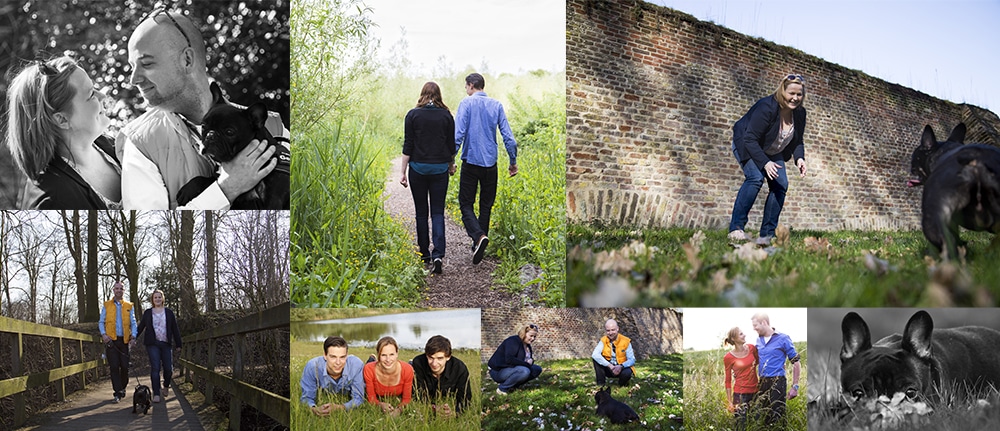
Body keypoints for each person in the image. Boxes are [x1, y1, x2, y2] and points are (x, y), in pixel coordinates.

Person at [118, 8, 288, 209]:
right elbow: (147, 233)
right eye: (132, 66)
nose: (133, 79)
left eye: (146, 63)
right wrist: (228, 188)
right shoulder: (141, 143)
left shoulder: (274, 126)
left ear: (187, 60)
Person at [5, 56, 121, 209]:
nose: (102, 95)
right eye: (91, 94)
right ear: (62, 120)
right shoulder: (52, 201)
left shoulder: (111, 146)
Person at [728, 74, 808, 245]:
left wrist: (799, 159)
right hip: (748, 143)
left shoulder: (800, 113)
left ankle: (767, 234)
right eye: (791, 93)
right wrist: (765, 163)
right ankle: (736, 228)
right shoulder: (767, 107)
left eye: (799, 94)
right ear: (782, 91)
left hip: (773, 150)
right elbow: (750, 138)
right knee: (755, 178)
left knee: (781, 185)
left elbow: (797, 140)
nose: (795, 98)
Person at [454, 72, 518, 264]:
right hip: (491, 164)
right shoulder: (496, 105)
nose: (466, 91)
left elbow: (458, 135)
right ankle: (478, 244)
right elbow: (509, 138)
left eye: (466, 87)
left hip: (471, 162)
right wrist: (513, 162)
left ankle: (478, 236)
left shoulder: (466, 103)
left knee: (465, 203)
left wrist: (451, 160)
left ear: (472, 85)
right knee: (486, 206)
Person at [400, 82, 457, 274]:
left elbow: (408, 145)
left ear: (422, 94)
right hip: (440, 169)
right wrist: (451, 164)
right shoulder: (446, 116)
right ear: (438, 95)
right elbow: (451, 145)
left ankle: (424, 254)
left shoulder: (413, 115)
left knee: (421, 213)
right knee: (438, 212)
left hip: (417, 169)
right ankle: (438, 254)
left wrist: (402, 172)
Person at [751, 312, 801, 427]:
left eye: (755, 325)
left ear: (764, 322)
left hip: (778, 381)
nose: (754, 329)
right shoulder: (758, 340)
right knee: (764, 417)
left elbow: (796, 362)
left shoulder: (783, 338)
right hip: (762, 382)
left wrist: (795, 386)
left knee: (777, 416)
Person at [135, 289, 182, 403]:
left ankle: (166, 385)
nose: (157, 299)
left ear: (163, 299)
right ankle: (156, 393)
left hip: (166, 343)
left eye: (159, 297)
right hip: (152, 344)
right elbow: (141, 327)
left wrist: (178, 344)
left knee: (168, 369)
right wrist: (133, 338)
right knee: (155, 368)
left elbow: (175, 329)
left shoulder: (169, 312)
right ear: (152, 299)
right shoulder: (148, 313)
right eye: (155, 297)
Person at [299, 336, 365, 415]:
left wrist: (340, 407)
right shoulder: (313, 367)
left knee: (368, 368)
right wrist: (314, 409)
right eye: (333, 357)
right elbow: (306, 398)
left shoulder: (356, 365)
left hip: (362, 370)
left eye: (342, 357)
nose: (338, 362)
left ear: (347, 355)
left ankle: (371, 359)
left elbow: (358, 398)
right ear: (325, 355)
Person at [411, 335, 471, 417]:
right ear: (426, 355)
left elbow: (465, 398)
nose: (434, 363)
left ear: (448, 357)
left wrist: (455, 413)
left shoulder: (459, 368)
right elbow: (415, 394)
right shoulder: (418, 363)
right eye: (431, 358)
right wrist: (433, 408)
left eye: (440, 358)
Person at [98, 281, 138, 403]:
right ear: (113, 290)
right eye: (116, 288)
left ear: (123, 291)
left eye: (121, 288)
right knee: (114, 367)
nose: (119, 290)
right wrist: (104, 334)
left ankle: (123, 387)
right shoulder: (106, 305)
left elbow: (133, 323)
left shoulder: (129, 306)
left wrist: (134, 336)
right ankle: (117, 392)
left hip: (125, 341)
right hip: (111, 341)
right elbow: (101, 322)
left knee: (125, 367)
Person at [363, 336, 413, 416]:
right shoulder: (369, 369)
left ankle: (411, 362)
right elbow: (371, 398)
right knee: (369, 363)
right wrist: (380, 404)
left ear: (397, 354)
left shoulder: (407, 370)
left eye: (392, 354)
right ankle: (372, 358)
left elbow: (407, 399)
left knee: (411, 366)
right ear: (378, 354)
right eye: (383, 355)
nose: (388, 359)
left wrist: (398, 410)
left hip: (406, 367)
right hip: (372, 365)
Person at [487, 323, 542, 395]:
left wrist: (531, 361)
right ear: (524, 333)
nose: (533, 339)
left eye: (534, 336)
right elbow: (509, 359)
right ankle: (502, 389)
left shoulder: (527, 345)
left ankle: (513, 386)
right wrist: (526, 364)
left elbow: (527, 359)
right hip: (498, 371)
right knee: (525, 371)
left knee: (537, 369)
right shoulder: (513, 341)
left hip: (512, 369)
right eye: (531, 336)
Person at [723, 326, 759, 431]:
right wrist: (729, 401)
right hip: (740, 395)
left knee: (755, 424)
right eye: (741, 334)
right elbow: (728, 381)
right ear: (733, 338)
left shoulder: (752, 348)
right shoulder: (728, 357)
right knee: (740, 426)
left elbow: (759, 363)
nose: (744, 335)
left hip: (756, 392)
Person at [591, 319, 635, 386]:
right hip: (609, 368)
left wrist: (621, 366)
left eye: (613, 330)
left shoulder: (626, 341)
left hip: (621, 368)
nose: (610, 333)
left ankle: (622, 385)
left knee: (627, 372)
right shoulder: (603, 340)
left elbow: (632, 360)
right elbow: (595, 354)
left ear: (617, 329)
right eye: (608, 330)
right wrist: (610, 366)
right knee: (596, 359)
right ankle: (601, 384)